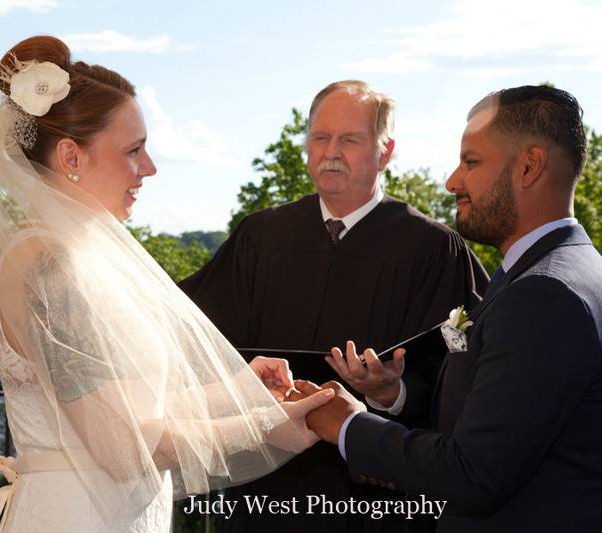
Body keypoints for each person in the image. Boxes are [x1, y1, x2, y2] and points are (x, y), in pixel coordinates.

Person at [0, 36, 334, 533]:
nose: (151, 167)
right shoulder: (52, 268)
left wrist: (243, 390)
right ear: (71, 158)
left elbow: (131, 407)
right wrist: (264, 428)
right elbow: (123, 447)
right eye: (134, 150)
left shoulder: (80, 256)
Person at [299, 85, 602, 532]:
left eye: (472, 162)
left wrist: (348, 425)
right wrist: (392, 395)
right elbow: (486, 414)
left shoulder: (546, 294)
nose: (452, 180)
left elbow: (473, 475)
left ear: (529, 166)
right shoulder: (545, 271)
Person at [179, 80, 488, 532]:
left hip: (372, 500)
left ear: (385, 152)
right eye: (320, 137)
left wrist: (393, 393)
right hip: (264, 494)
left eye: (350, 139)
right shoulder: (261, 237)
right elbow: (190, 329)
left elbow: (464, 367)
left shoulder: (433, 250)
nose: (331, 151)